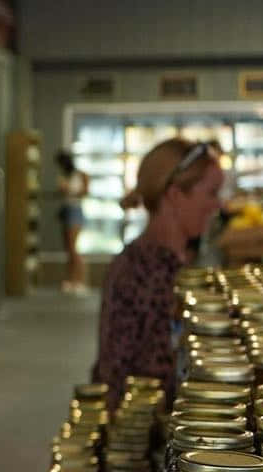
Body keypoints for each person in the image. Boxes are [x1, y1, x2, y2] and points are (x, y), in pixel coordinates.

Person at [92, 138, 223, 409]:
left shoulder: (174, 261)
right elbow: (115, 374)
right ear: (175, 196)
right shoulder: (140, 272)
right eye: (211, 193)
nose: (217, 206)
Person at [55, 149, 89, 294]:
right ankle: (70, 280)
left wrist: (69, 190)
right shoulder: (63, 176)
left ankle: (80, 280)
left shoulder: (80, 175)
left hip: (75, 210)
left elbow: (85, 192)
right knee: (69, 249)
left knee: (73, 248)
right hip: (67, 210)